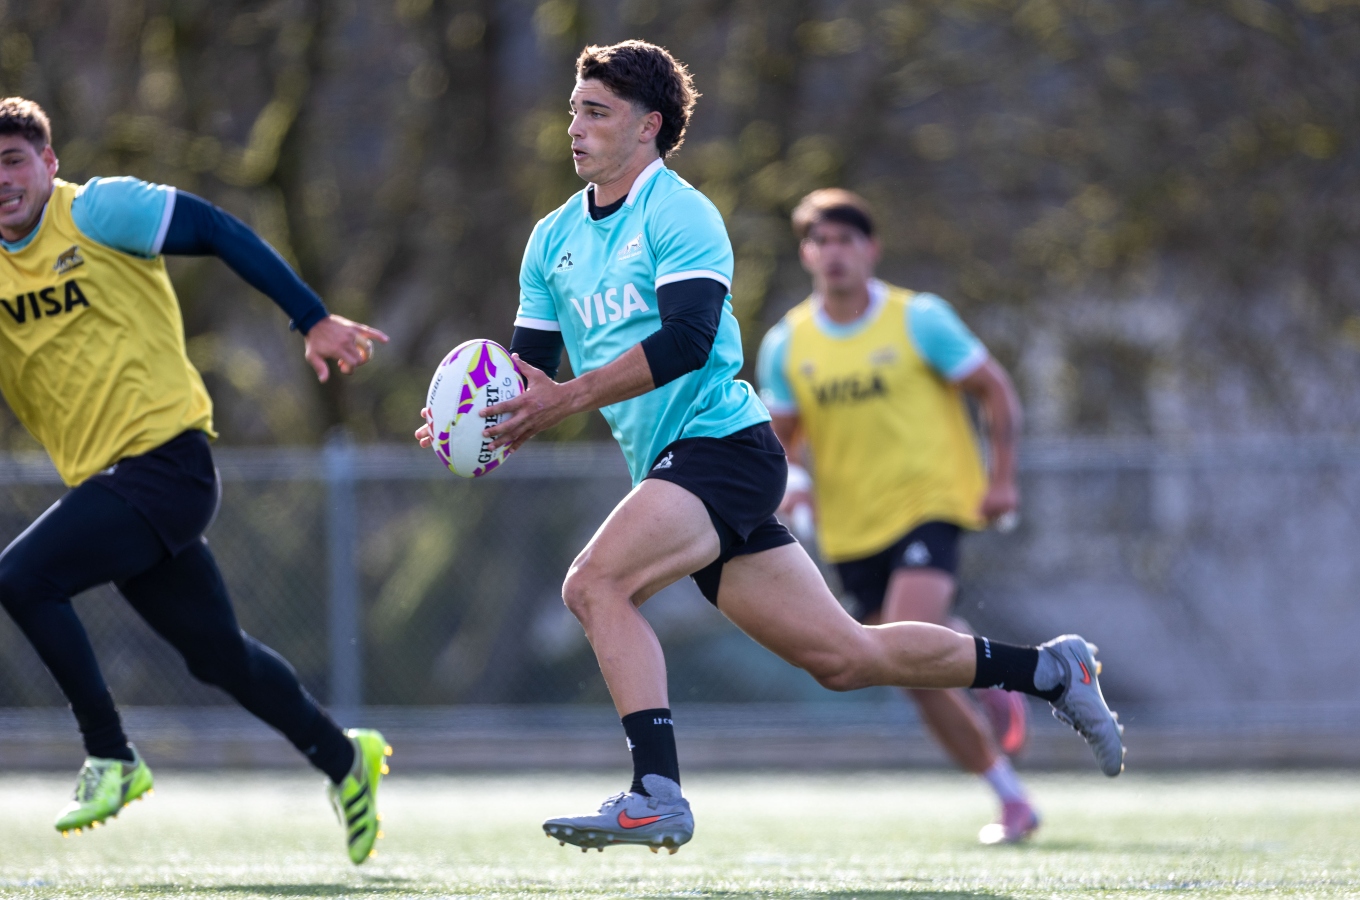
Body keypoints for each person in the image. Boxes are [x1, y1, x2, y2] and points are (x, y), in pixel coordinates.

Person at [415, 40, 1124, 855]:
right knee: (846, 657)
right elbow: (527, 373)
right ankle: (1049, 671)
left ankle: (656, 792)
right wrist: (474, 418)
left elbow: (687, 339)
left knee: (595, 584)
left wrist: (568, 397)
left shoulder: (680, 214)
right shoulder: (551, 240)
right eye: (574, 109)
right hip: (677, 470)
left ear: (648, 127)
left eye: (595, 112)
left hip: (725, 447)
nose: (573, 127)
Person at [0, 97, 390, 863]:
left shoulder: (101, 211)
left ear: (49, 163)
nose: (2, 181)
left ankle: (110, 753)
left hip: (167, 464)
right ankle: (345, 758)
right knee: (219, 657)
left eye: (13, 161)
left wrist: (310, 316)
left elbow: (215, 228)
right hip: (112, 484)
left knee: (20, 579)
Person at [757, 188, 1038, 844]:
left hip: (930, 504)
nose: (834, 254)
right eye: (820, 242)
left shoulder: (920, 319)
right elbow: (784, 436)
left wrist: (1001, 480)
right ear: (806, 253)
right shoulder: (787, 343)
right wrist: (793, 483)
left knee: (909, 642)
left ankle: (1012, 788)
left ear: (871, 248)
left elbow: (994, 389)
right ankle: (1003, 760)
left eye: (846, 240)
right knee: (908, 673)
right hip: (853, 527)